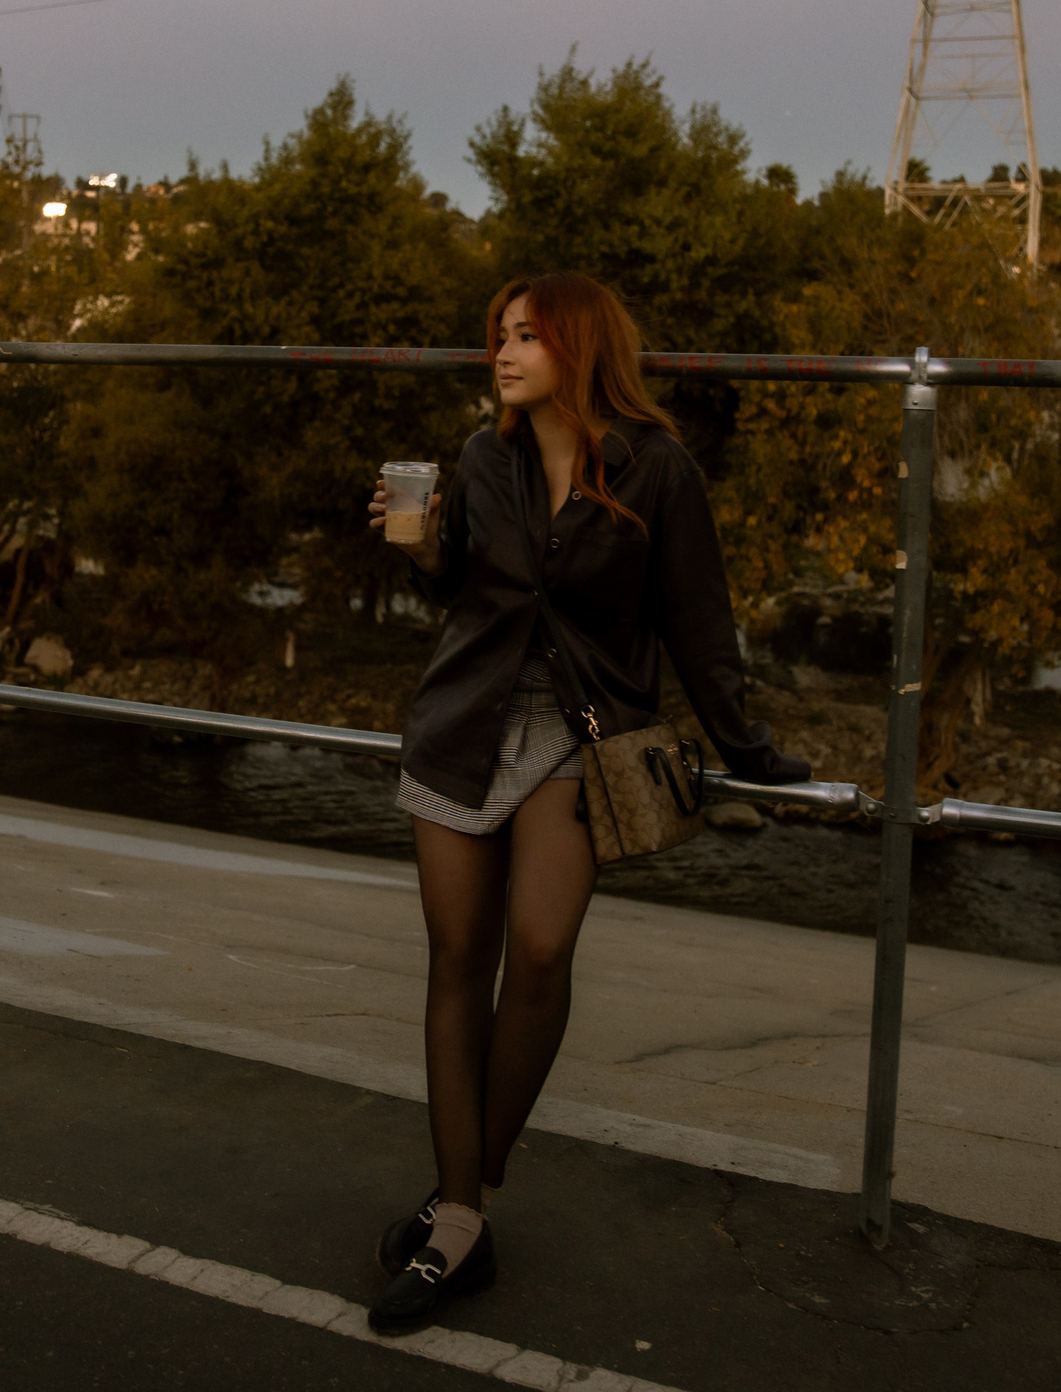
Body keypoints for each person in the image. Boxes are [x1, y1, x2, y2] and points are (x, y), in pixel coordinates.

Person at [360, 271, 808, 1334]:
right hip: (462, 727)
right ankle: (462, 1216)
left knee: (542, 950)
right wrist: (421, 548)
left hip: (582, 733)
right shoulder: (481, 457)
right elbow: (457, 587)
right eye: (498, 337)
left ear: (579, 347)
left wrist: (747, 745)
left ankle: (461, 1193)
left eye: (527, 336)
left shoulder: (657, 470)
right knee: (458, 962)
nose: (505, 354)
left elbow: (699, 621)